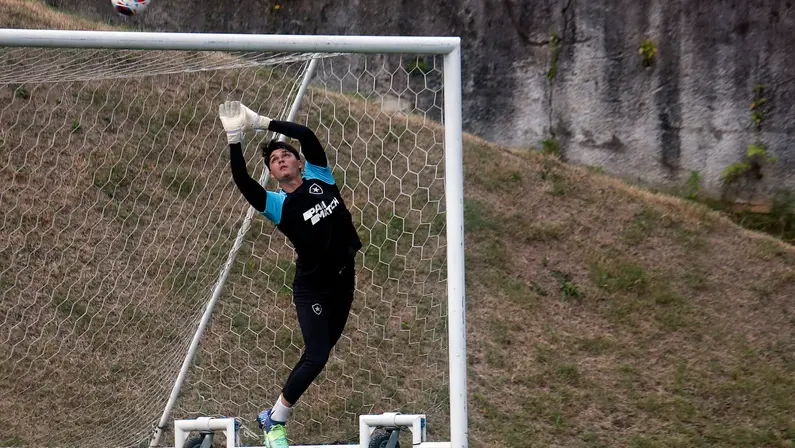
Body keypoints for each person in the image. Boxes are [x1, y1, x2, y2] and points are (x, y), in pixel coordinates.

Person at [218, 101, 362, 448]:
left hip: (344, 280)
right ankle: (276, 422)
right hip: (312, 289)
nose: (280, 160)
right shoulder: (277, 205)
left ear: (299, 162)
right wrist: (235, 139)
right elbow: (242, 179)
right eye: (273, 161)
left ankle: (272, 416)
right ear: (272, 173)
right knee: (316, 356)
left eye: (285, 155)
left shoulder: (320, 178)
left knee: (319, 353)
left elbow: (307, 135)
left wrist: (263, 123)